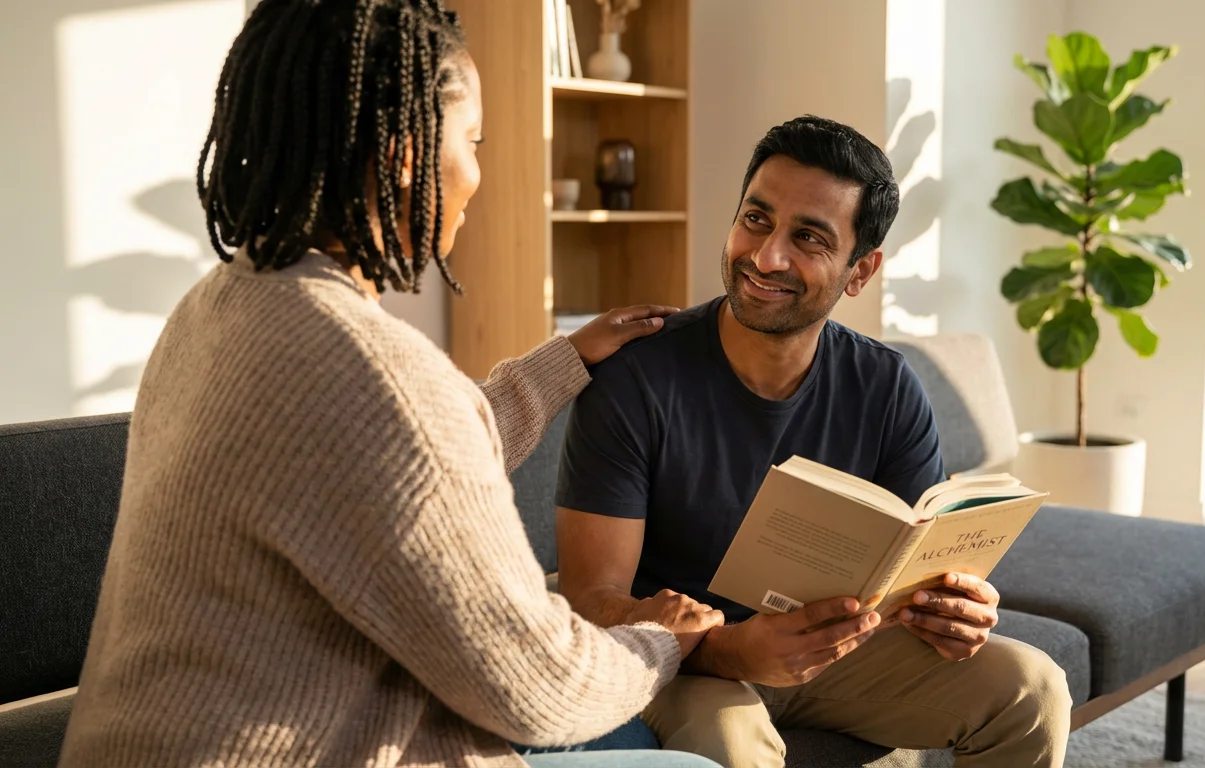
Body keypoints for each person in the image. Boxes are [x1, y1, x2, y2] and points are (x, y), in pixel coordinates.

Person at [57, 2, 724, 767]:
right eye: (472, 143)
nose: (479, 174)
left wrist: (568, 356)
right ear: (409, 155)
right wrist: (657, 642)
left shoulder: (220, 306)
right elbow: (542, 688)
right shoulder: (376, 378)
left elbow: (402, 457)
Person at [554, 115, 1074, 768]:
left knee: (1033, 690)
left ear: (860, 271)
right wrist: (729, 648)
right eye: (756, 219)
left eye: (808, 237)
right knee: (732, 745)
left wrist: (953, 608)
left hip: (837, 655)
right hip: (687, 663)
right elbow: (589, 603)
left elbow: (912, 565)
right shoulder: (638, 377)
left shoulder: (886, 385)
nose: (767, 256)